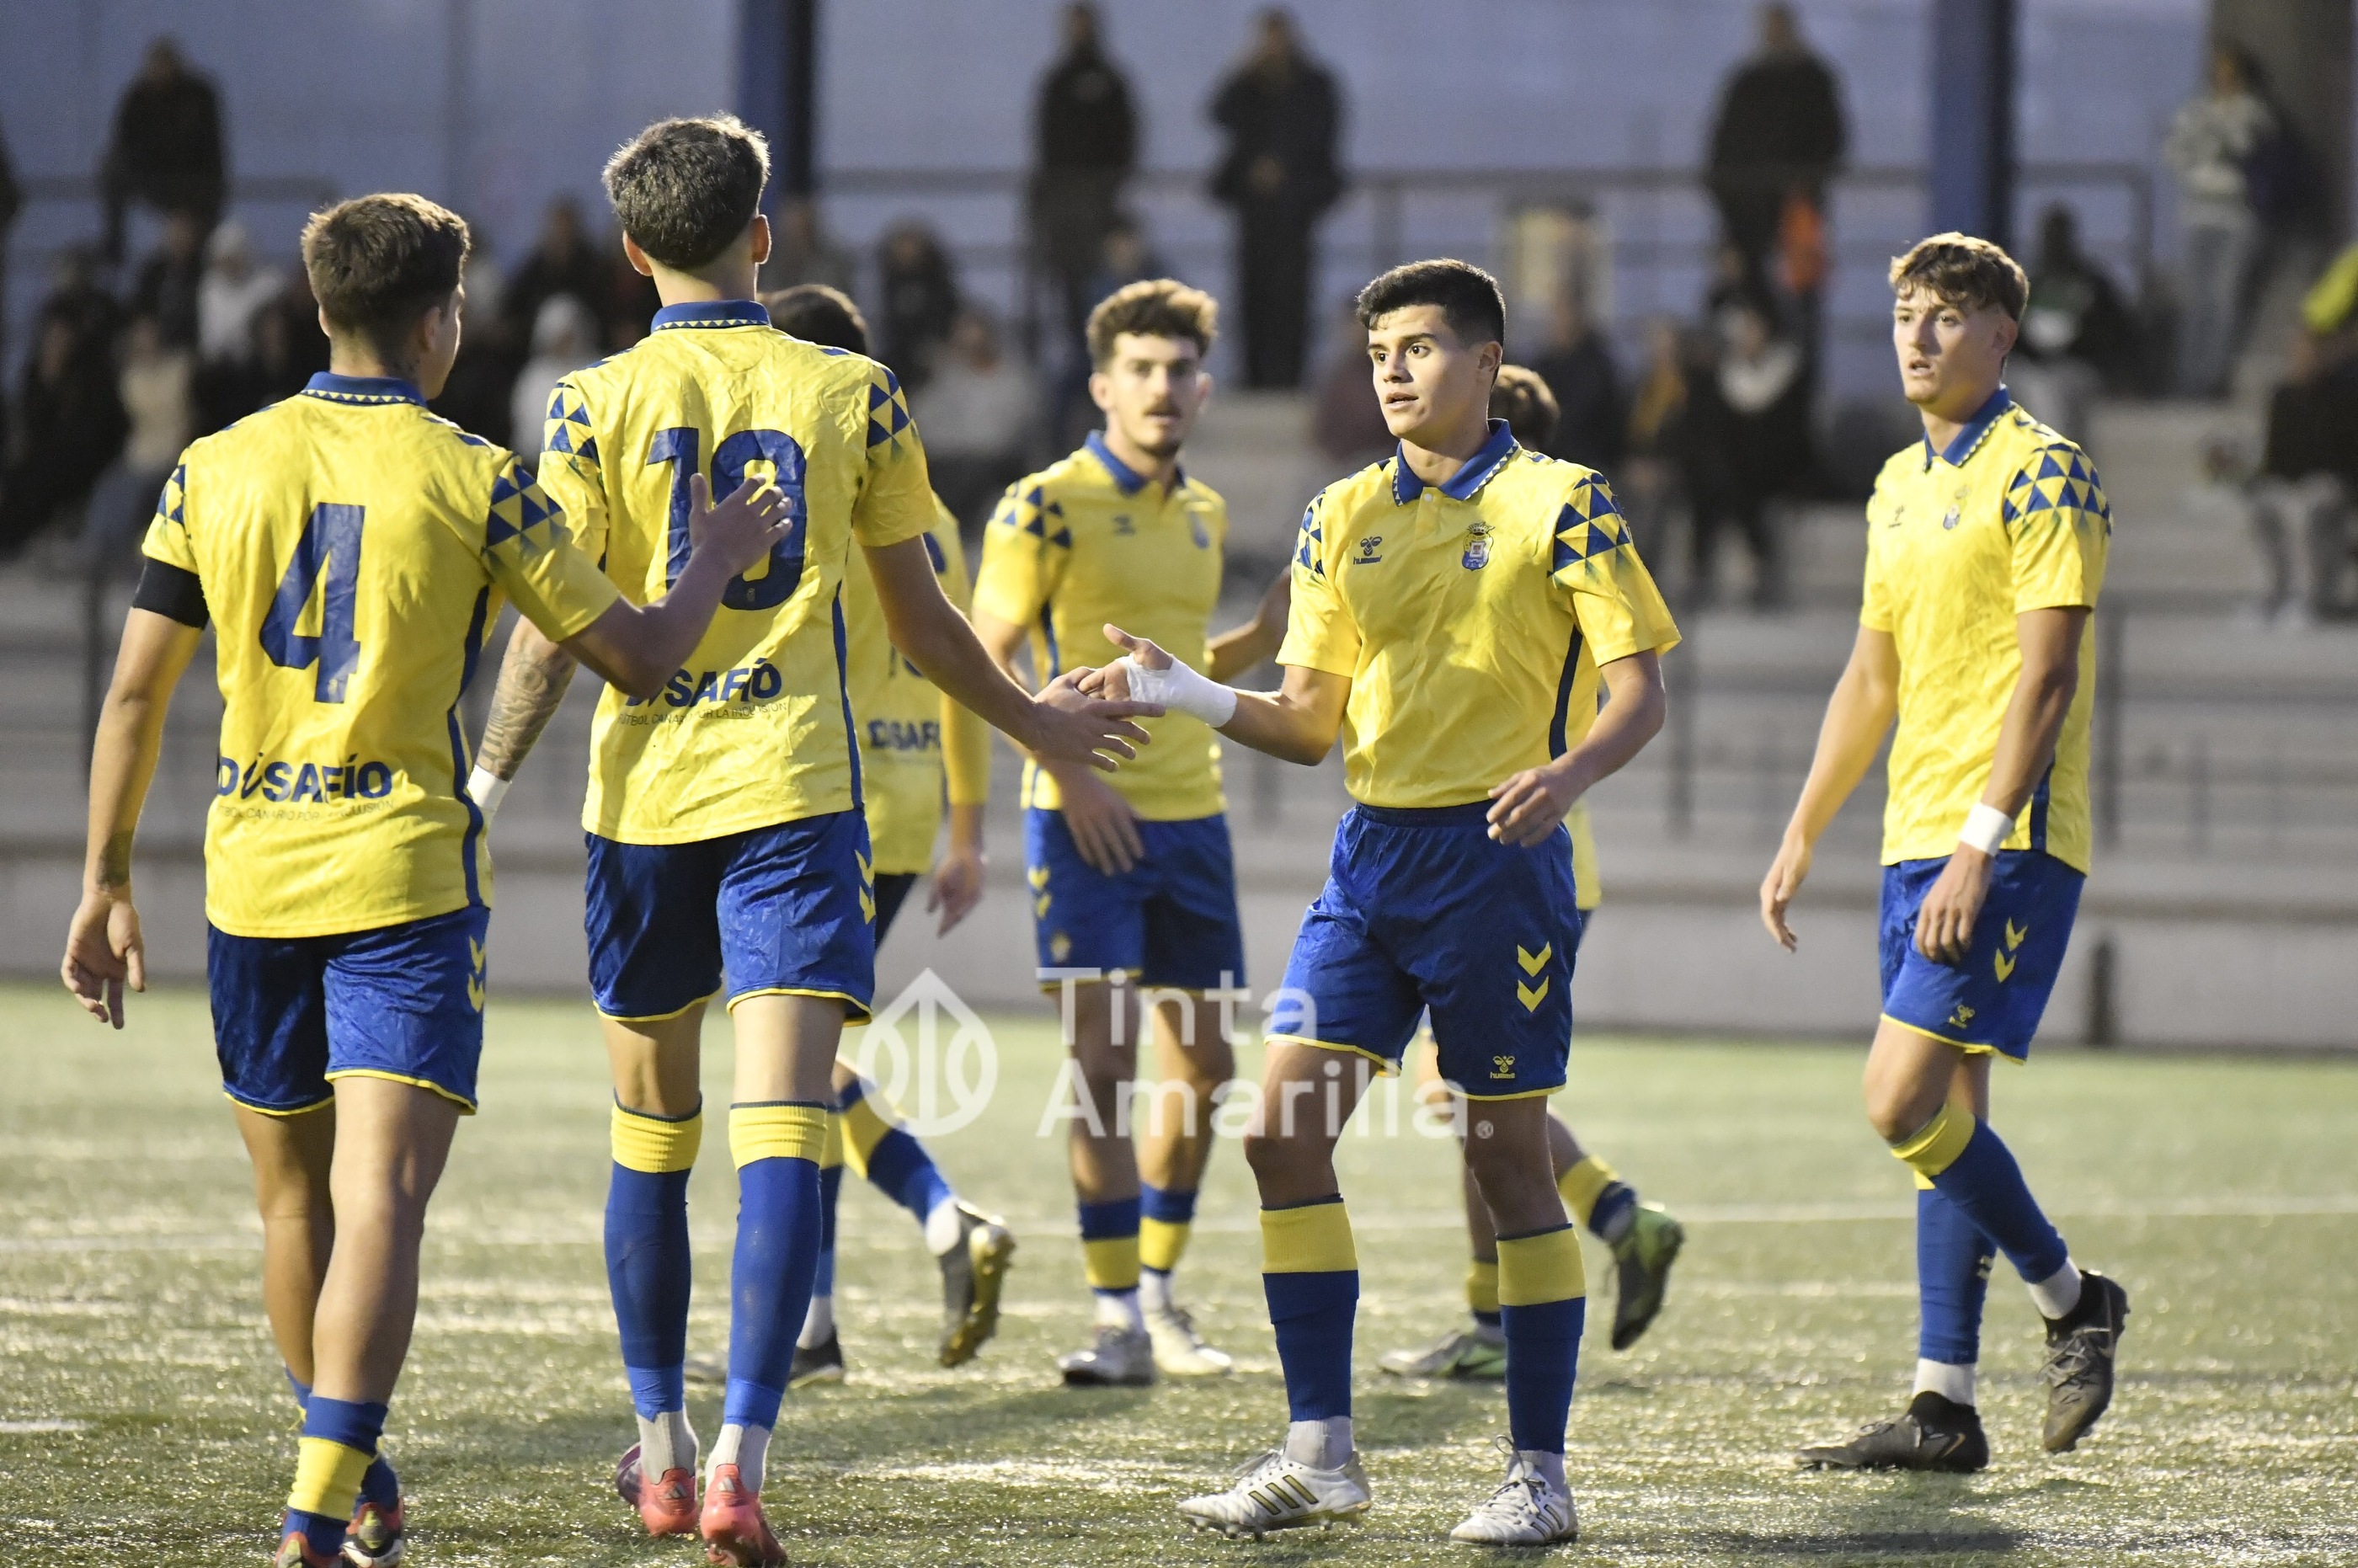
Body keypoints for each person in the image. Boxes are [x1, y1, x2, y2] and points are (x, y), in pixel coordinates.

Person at [61, 190, 791, 1568]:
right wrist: (713, 561)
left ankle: (348, 1480)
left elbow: (134, 695)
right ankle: (315, 1509)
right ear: (440, 320)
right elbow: (637, 657)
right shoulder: (475, 476)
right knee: (382, 1199)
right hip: (402, 878)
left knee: (296, 1205)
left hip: (251, 879)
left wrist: (104, 879)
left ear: (316, 308)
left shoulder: (214, 467)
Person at [464, 115, 1153, 1566]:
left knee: (653, 1135)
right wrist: (1038, 724)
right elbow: (928, 625)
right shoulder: (855, 390)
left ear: (632, 251)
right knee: (786, 1124)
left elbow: (547, 633)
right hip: (792, 795)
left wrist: (480, 790)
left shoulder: (588, 401)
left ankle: (660, 1449)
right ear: (764, 235)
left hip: (643, 806)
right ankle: (742, 1466)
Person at [1093, 259, 1678, 1545]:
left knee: (1507, 1159)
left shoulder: (1562, 500)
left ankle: (1539, 1475)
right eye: (1378, 355)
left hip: (1498, 865)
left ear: (1487, 361)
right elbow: (1309, 721)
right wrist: (1185, 691)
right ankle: (1322, 1457)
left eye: (1420, 347)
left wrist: (1569, 772)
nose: (1395, 371)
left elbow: (1640, 691)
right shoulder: (1341, 511)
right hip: (1368, 864)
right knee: (1280, 1133)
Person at [1762, 233, 2129, 1475]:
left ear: (2002, 335)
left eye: (1949, 315)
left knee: (1896, 1097)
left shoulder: (2046, 472)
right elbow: (1872, 676)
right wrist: (1804, 826)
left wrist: (1981, 840)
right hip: (1911, 835)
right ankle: (1943, 1403)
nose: (1918, 336)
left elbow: (2048, 674)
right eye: (1906, 313)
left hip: (2001, 837)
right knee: (1947, 1113)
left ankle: (2074, 1298)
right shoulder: (1895, 483)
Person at [972, 279, 1274, 1388]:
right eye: (1141, 370)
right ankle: (1112, 1320)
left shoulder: (1207, 513)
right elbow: (987, 652)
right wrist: (1065, 770)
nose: (1163, 388)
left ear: (1204, 387)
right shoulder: (1044, 504)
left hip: (1195, 819)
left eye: (1180, 370)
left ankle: (1154, 1293)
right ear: (1102, 387)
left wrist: (1261, 637)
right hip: (1080, 822)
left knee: (1206, 1066)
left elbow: (1174, 670)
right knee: (1102, 1068)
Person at [1375, 364, 1684, 1385]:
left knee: (1480, 1096)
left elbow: (1628, 696)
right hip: (1511, 856)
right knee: (1469, 1096)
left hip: (1514, 861)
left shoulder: (1542, 546)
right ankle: (1544, 1270)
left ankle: (1584, 1242)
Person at [1208, 8, 1343, 390]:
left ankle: (1290, 375)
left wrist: (1284, 166)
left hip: (1296, 208)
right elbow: (1218, 112)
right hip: (1254, 210)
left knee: (1292, 296)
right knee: (1252, 293)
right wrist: (1243, 69)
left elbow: (1322, 135)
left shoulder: (1313, 84)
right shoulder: (1249, 83)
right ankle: (1253, 374)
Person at [1705, 4, 1846, 306]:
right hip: (1748, 212)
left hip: (1797, 209)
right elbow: (1724, 150)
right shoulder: (1749, 82)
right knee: (1753, 296)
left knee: (1800, 294)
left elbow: (1831, 142)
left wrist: (1804, 184)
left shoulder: (1812, 81)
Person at [2163, 44, 2275, 398]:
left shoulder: (2254, 113)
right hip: (2198, 212)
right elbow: (2176, 151)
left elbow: (2248, 148)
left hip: (2235, 215)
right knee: (2195, 301)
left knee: (2223, 300)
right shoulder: (2196, 112)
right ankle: (2188, 378)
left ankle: (2213, 378)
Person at [1689, 296, 1810, 610]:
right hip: (1735, 469)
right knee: (1708, 487)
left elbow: (1794, 434)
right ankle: (1700, 574)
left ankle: (1763, 571)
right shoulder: (1727, 375)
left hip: (1779, 467)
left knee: (1739, 490)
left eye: (1752, 329)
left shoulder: (1786, 372)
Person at [1032, 3, 1139, 337]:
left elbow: (1126, 136)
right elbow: (1045, 139)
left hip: (1103, 197)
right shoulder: (1057, 82)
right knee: (1070, 283)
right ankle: (1078, 349)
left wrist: (1113, 180)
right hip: (1065, 200)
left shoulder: (1111, 81)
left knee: (1109, 278)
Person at [2243, 333, 2358, 624]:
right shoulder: (2283, 396)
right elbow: (2275, 455)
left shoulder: (2341, 396)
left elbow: (2344, 452)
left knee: (2314, 504)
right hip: (2290, 481)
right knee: (2264, 504)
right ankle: (2277, 592)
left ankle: (2313, 597)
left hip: (2333, 481)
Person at [910, 307, 1043, 541]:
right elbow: (919, 420)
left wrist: (954, 438)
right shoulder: (951, 378)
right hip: (950, 463)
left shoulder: (1014, 381)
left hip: (997, 464)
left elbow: (999, 437)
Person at [79, 314, 193, 570]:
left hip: (172, 454)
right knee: (107, 490)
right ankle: (98, 554)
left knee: (136, 498)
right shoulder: (131, 379)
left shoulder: (180, 369)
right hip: (138, 455)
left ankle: (129, 557)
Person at [99, 37, 225, 263]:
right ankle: (114, 246)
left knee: (209, 194)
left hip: (191, 177)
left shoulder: (198, 96)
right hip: (150, 176)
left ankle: (200, 258)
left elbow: (212, 148)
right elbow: (123, 142)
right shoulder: (138, 97)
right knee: (111, 169)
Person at [1527, 294, 1625, 475]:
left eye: (1564, 312)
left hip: (1589, 463)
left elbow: (1585, 416)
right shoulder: (1545, 363)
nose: (1558, 320)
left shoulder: (1597, 365)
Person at [501, 197, 611, 356]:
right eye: (557, 226)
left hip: (586, 352)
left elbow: (602, 310)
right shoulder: (536, 266)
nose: (561, 232)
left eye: (566, 226)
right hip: (541, 354)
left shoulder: (593, 266)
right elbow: (514, 306)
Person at [507, 294, 600, 459]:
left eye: (569, 335)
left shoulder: (596, 370)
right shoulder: (534, 376)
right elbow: (524, 427)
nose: (564, 342)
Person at [131, 209, 207, 350]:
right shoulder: (153, 271)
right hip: (156, 343)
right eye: (175, 233)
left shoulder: (203, 274)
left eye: (184, 233)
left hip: (189, 345)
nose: (178, 239)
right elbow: (142, 308)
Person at [755, 195, 856, 297]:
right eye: (791, 226)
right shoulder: (770, 267)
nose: (795, 232)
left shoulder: (831, 267)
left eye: (801, 226)